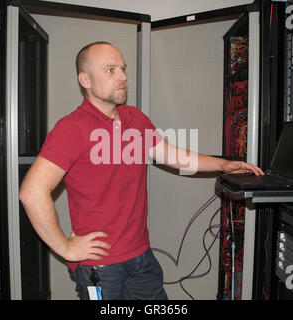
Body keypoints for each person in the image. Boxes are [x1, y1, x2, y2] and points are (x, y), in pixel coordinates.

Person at [19, 41, 264, 300]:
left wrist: (223, 165)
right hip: (100, 266)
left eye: (123, 68)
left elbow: (174, 156)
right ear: (85, 80)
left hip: (142, 257)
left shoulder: (135, 118)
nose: (123, 76)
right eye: (110, 70)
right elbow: (32, 192)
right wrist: (66, 248)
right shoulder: (71, 129)